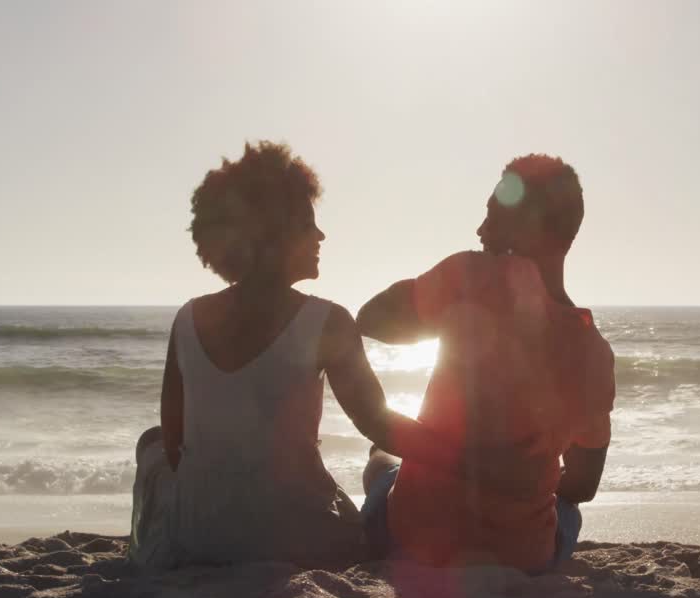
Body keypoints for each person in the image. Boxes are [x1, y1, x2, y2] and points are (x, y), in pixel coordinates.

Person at [129, 141, 465, 570]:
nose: (321, 236)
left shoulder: (188, 318)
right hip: (299, 538)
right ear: (277, 235)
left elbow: (175, 447)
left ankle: (146, 547)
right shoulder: (328, 321)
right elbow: (380, 425)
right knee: (377, 466)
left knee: (151, 443)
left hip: (200, 540)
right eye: (309, 225)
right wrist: (463, 456)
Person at [357, 154, 616, 573]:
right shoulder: (594, 353)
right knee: (568, 511)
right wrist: (515, 477)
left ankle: (385, 465)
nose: (480, 231)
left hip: (411, 538)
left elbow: (370, 318)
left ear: (528, 228)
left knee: (381, 458)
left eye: (493, 218)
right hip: (519, 556)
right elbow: (583, 485)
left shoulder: (467, 275)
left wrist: (451, 310)